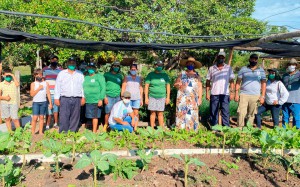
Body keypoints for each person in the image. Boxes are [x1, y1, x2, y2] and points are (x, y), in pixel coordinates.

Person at [235, 54, 266, 127]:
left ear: (257, 60)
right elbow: (238, 82)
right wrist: (236, 93)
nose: (253, 60)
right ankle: (240, 128)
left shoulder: (261, 70)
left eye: (255, 59)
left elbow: (263, 83)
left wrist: (263, 96)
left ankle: (248, 129)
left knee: (251, 114)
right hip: (243, 94)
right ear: (249, 59)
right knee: (241, 113)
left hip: (255, 95)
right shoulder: (243, 69)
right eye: (252, 59)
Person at [54, 57, 85, 133]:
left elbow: (83, 87)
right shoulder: (62, 73)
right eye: (70, 63)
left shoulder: (80, 74)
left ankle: (72, 132)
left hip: (77, 98)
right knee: (64, 116)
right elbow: (57, 86)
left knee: (75, 116)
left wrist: (83, 97)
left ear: (75, 64)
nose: (72, 64)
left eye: (73, 63)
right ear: (67, 64)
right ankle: (63, 132)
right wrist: (56, 98)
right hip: (65, 98)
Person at [206, 52, 235, 127]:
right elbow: (208, 81)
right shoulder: (212, 68)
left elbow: (232, 81)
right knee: (213, 111)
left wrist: (232, 92)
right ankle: (214, 127)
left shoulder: (228, 68)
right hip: (214, 93)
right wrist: (207, 93)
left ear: (224, 59)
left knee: (225, 111)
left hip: (225, 94)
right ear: (217, 57)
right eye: (219, 57)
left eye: (222, 58)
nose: (221, 59)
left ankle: (226, 127)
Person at [174, 57, 202, 130]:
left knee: (192, 113)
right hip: (182, 98)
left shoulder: (197, 75)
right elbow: (176, 84)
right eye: (189, 63)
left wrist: (200, 98)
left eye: (192, 63)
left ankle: (192, 129)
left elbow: (200, 87)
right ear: (186, 64)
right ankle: (181, 129)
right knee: (182, 113)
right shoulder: (182, 74)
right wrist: (178, 84)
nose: (190, 64)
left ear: (194, 65)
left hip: (193, 99)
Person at [145, 60, 170, 128]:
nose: (159, 67)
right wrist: (146, 98)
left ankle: (161, 129)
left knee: (160, 113)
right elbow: (146, 86)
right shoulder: (150, 75)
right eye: (158, 65)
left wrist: (168, 98)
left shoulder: (165, 75)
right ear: (155, 66)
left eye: (161, 66)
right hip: (152, 96)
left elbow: (168, 86)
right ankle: (152, 129)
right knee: (152, 113)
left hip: (162, 96)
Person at [83, 63, 106, 133]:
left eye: (92, 68)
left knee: (95, 116)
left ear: (95, 69)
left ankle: (94, 131)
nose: (91, 69)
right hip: (87, 100)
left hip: (96, 100)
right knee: (88, 115)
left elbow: (103, 88)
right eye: (89, 68)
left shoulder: (99, 77)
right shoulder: (85, 77)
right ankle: (89, 128)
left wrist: (101, 99)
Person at [43, 55, 63, 130]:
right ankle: (47, 125)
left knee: (56, 109)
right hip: (48, 93)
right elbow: (43, 80)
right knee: (48, 110)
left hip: (57, 93)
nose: (54, 61)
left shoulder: (60, 70)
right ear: (50, 60)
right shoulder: (45, 69)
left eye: (55, 60)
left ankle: (55, 123)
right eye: (52, 60)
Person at [30, 69, 52, 135]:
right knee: (35, 118)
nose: (40, 76)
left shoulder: (46, 83)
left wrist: (50, 103)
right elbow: (32, 94)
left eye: (41, 74)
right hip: (36, 102)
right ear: (35, 75)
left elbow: (48, 93)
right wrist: (39, 88)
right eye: (38, 74)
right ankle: (33, 132)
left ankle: (40, 132)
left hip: (44, 102)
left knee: (42, 117)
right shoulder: (33, 84)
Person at [103, 61, 123, 132]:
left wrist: (121, 96)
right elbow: (103, 86)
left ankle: (115, 125)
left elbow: (122, 86)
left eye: (117, 66)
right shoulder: (106, 75)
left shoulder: (120, 76)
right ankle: (106, 124)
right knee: (107, 111)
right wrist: (104, 96)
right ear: (112, 67)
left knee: (116, 112)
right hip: (108, 96)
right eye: (115, 66)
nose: (116, 67)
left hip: (117, 96)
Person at [281, 58, 300, 128]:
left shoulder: (299, 74)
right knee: (285, 118)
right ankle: (283, 132)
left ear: (296, 66)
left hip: (296, 100)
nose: (291, 66)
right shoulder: (285, 75)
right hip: (285, 100)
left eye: (293, 64)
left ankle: (296, 134)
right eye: (290, 64)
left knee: (297, 118)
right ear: (288, 66)